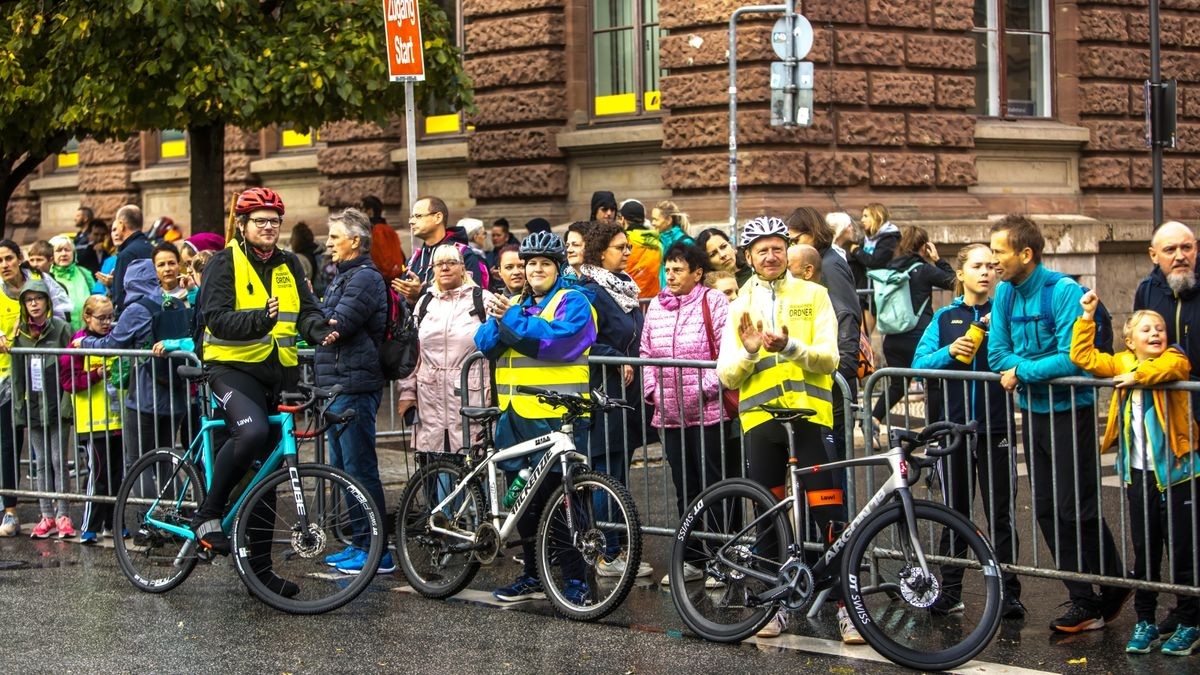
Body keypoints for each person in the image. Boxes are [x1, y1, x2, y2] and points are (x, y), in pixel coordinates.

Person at [715, 216, 858, 643]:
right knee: (767, 519)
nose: (771, 255)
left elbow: (830, 359)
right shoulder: (739, 303)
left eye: (777, 247)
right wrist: (751, 352)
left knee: (831, 515)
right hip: (762, 424)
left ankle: (847, 608)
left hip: (810, 419)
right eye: (762, 249)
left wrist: (790, 347)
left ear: (787, 251)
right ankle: (771, 606)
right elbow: (727, 376)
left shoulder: (814, 294)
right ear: (749, 257)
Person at [988, 214, 1129, 634]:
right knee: (1048, 510)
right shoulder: (1004, 295)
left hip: (1072, 411)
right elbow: (997, 355)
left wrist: (1022, 372)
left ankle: (1114, 583)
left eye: (999, 252)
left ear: (1025, 254)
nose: (994, 260)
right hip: (1034, 413)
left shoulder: (1064, 292)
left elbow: (1074, 359)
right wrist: (1020, 369)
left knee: (1076, 507)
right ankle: (1083, 599)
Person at [193, 187, 334, 597]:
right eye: (260, 221)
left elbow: (305, 310)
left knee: (269, 474)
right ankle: (208, 513)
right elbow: (216, 320)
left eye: (274, 221)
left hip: (278, 375)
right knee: (251, 433)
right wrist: (260, 318)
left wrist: (320, 330)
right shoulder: (223, 263)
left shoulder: (289, 263)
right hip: (231, 370)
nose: (269, 227)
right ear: (242, 225)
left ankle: (259, 573)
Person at [1070, 292, 1200, 656]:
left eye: (1160, 327)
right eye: (1146, 329)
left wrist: (1137, 375)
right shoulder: (1122, 361)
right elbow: (1084, 358)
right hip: (1138, 475)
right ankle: (1145, 621)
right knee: (1145, 553)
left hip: (1178, 475)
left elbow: (1171, 370)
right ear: (1130, 340)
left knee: (1183, 552)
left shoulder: (1172, 358)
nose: (1156, 332)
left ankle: (1190, 622)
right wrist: (1087, 317)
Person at [474, 231, 596, 603]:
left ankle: (577, 580)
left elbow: (557, 343)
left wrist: (510, 321)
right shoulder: (516, 303)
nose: (536, 269)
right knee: (522, 503)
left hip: (560, 417)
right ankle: (532, 574)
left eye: (544, 263)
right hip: (515, 416)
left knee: (565, 502)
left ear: (558, 268)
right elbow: (485, 343)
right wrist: (504, 320)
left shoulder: (573, 301)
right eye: (530, 264)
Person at [911, 243, 1024, 619]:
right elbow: (917, 364)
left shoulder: (1005, 314)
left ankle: (1009, 593)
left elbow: (1022, 358)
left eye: (992, 266)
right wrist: (948, 353)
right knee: (955, 512)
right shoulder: (944, 317)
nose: (986, 272)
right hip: (953, 431)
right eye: (977, 266)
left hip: (996, 427)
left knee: (1001, 514)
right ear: (960, 274)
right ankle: (951, 590)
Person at [641, 243, 736, 585]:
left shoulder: (714, 301)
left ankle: (723, 560)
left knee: (715, 487)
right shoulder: (656, 306)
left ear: (697, 273)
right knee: (686, 489)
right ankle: (693, 558)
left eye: (679, 269)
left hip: (710, 413)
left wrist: (701, 389)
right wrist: (652, 390)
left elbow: (729, 354)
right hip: (670, 414)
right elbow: (645, 351)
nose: (671, 275)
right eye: (668, 269)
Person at [313, 208, 392, 576]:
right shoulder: (343, 276)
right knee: (344, 469)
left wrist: (314, 320)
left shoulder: (364, 278)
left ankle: (377, 550)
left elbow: (337, 322)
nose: (328, 244)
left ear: (355, 241)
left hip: (355, 385)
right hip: (337, 383)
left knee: (360, 469)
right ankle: (360, 542)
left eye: (334, 237)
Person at [1132, 220, 1200, 638]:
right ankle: (1183, 608)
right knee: (1178, 529)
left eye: (1187, 247)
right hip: (1173, 426)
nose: (1181, 255)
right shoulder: (1148, 290)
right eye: (1171, 249)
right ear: (1153, 254)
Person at [576, 220, 652, 578]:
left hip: (626, 395)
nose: (627, 252)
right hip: (601, 393)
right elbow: (582, 336)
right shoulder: (589, 290)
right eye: (620, 247)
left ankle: (618, 547)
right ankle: (608, 552)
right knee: (606, 472)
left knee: (619, 472)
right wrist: (612, 357)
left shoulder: (623, 286)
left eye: (627, 247)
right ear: (600, 252)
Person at [78, 259, 188, 472]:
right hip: (175, 391)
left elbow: (111, 344)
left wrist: (85, 342)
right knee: (166, 458)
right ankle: (171, 506)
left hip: (145, 394)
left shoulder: (136, 309)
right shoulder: (172, 303)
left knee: (138, 462)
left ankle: (143, 506)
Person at [398, 244, 492, 456]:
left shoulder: (483, 299)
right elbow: (413, 354)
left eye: (451, 263)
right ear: (433, 270)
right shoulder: (425, 302)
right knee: (438, 466)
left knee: (472, 464)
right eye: (440, 264)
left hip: (472, 395)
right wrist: (407, 392)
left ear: (462, 268)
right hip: (430, 398)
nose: (445, 268)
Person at [869, 225, 955, 428]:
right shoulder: (923, 270)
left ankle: (873, 419)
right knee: (933, 382)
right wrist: (938, 259)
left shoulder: (890, 270)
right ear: (924, 247)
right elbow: (953, 281)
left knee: (898, 384)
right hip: (918, 336)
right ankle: (933, 430)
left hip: (893, 337)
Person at [10, 279, 74, 538]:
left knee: (59, 460)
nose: (34, 303)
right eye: (29, 300)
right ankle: (46, 514)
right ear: (24, 305)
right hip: (34, 405)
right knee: (41, 462)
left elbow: (72, 366)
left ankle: (64, 514)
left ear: (48, 301)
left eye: (38, 298)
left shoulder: (62, 329)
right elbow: (16, 376)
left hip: (57, 403)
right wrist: (18, 409)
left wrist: (67, 403)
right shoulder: (21, 334)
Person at [60, 295, 124, 544]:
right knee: (98, 474)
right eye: (102, 318)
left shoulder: (115, 339)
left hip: (117, 419)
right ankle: (90, 526)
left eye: (111, 317)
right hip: (92, 422)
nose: (108, 322)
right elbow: (68, 381)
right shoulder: (77, 344)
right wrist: (95, 375)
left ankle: (113, 524)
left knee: (118, 475)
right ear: (87, 317)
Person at [393, 195, 487, 303]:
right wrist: (410, 301)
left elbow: (472, 300)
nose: (411, 222)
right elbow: (402, 305)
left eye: (418, 216)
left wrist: (420, 293)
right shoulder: (412, 260)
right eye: (411, 217)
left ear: (438, 217)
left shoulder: (463, 255)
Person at [847, 203, 900, 335]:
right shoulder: (867, 239)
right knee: (862, 336)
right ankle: (869, 355)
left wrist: (857, 251)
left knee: (866, 336)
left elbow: (875, 261)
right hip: (868, 292)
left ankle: (869, 355)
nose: (862, 220)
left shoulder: (890, 238)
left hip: (883, 291)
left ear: (877, 217)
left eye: (866, 216)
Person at [110, 204, 154, 314]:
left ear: (121, 225)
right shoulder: (154, 249)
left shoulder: (126, 255)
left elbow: (120, 296)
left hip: (133, 319)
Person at [49, 234, 95, 332]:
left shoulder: (84, 273)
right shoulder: (47, 276)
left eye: (67, 250)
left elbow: (96, 298)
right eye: (58, 250)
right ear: (51, 255)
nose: (64, 254)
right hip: (60, 335)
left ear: (74, 253)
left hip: (86, 334)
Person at [618, 199, 661, 299]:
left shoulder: (623, 241)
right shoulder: (656, 242)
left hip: (628, 299)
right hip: (653, 300)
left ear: (623, 219)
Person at [362, 195, 407, 286]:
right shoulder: (388, 228)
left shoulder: (377, 231)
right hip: (394, 277)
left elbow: (382, 258)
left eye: (362, 209)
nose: (361, 212)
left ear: (370, 211)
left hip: (386, 280)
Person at [652, 201, 694, 286]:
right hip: (664, 296)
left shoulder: (686, 243)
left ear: (668, 220)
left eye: (656, 219)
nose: (653, 223)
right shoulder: (658, 242)